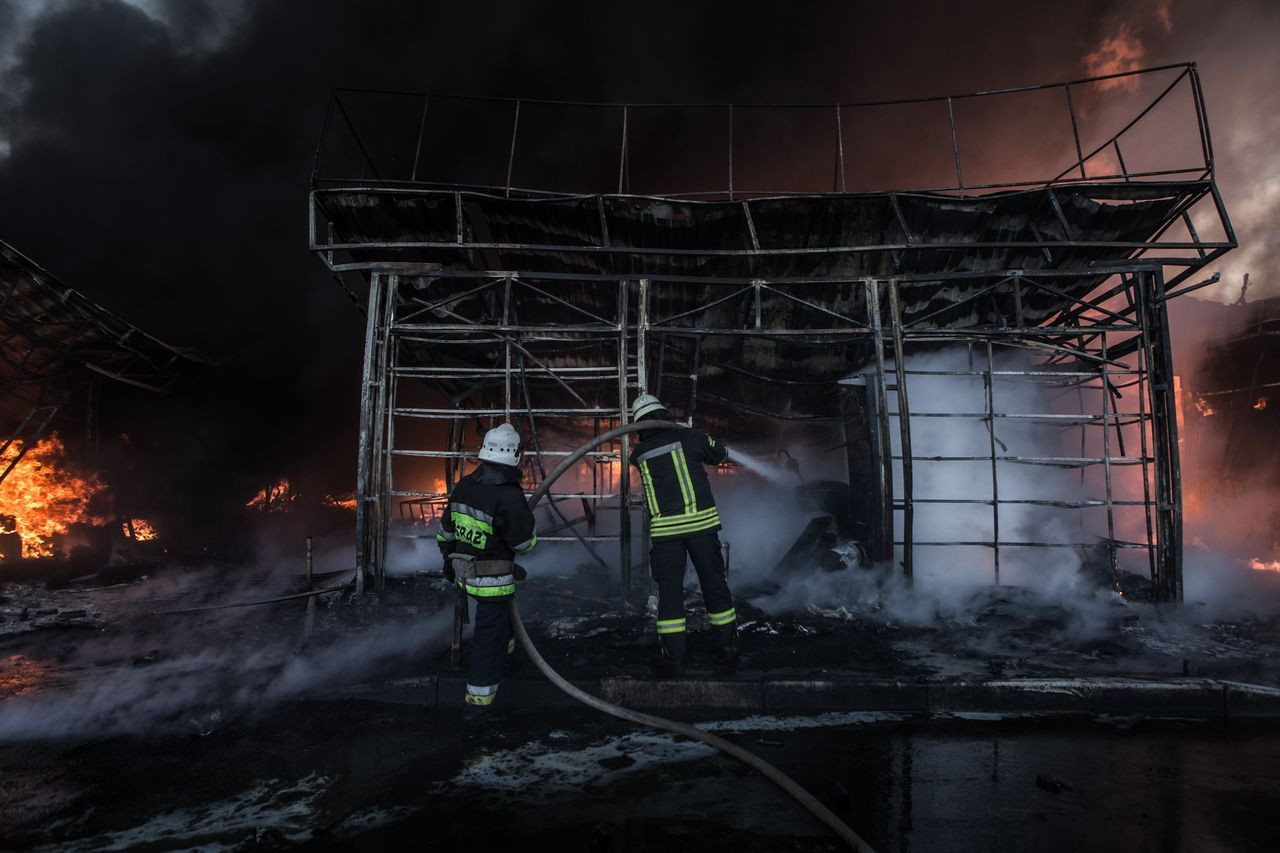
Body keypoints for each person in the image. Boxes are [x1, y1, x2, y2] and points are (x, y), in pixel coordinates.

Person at [628, 393, 737, 676]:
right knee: (714, 584)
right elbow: (721, 453)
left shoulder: (638, 455)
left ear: (639, 425)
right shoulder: (692, 438)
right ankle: (728, 648)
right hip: (701, 527)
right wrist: (702, 437)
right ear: (665, 416)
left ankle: (673, 657)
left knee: (670, 593)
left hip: (666, 535)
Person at [436, 423, 537, 721]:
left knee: (497, 626)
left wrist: (447, 558)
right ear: (515, 456)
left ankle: (508, 655)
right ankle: (477, 706)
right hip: (493, 582)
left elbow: (445, 531)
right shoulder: (509, 497)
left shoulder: (464, 485)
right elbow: (523, 544)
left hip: (465, 574)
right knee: (487, 641)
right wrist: (532, 532)